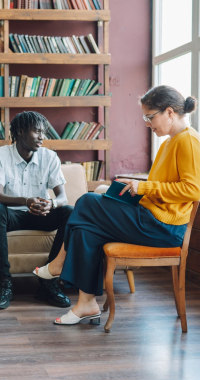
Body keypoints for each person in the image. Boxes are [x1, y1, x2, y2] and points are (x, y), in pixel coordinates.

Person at [33, 85, 200, 325]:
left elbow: (193, 189)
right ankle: (85, 304)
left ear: (170, 113)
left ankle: (59, 264)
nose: (147, 123)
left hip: (165, 228)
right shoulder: (170, 143)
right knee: (86, 228)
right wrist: (135, 185)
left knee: (87, 201)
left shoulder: (188, 141)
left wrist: (143, 187)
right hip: (152, 218)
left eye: (150, 117)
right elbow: (163, 185)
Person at [0, 111, 73, 310]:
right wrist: (26, 200)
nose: (42, 136)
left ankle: (48, 280)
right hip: (13, 214)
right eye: (37, 131)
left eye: (44, 132)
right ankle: (5, 283)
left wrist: (52, 204)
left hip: (41, 215)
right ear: (21, 131)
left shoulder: (50, 157)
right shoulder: (0, 155)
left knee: (69, 211)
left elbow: (62, 197)